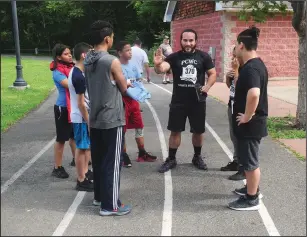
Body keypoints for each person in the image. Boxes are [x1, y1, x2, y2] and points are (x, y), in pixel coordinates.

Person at [84, 20, 132, 216]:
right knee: (112, 162)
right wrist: (128, 83)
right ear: (107, 38)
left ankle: (99, 197)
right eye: (112, 37)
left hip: (94, 116)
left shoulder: (87, 58)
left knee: (99, 160)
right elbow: (123, 87)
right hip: (111, 117)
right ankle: (110, 206)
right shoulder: (111, 60)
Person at [153, 29, 217, 173]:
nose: (188, 43)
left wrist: (207, 86)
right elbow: (163, 69)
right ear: (180, 41)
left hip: (197, 101)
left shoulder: (203, 56)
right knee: (175, 131)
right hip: (178, 101)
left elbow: (212, 73)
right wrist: (157, 65)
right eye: (185, 40)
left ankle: (197, 157)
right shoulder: (174, 57)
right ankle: (171, 159)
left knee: (198, 131)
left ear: (195, 41)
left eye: (191, 40)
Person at [228, 26, 268, 211]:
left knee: (251, 163)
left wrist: (247, 116)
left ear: (242, 45)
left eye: (236, 45)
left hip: (251, 125)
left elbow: (254, 94)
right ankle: (250, 189)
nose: (234, 48)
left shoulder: (252, 68)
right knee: (247, 160)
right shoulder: (251, 66)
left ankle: (252, 199)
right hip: (250, 125)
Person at [116, 41, 157, 167]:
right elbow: (119, 86)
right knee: (122, 129)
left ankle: (142, 152)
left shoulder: (133, 66)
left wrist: (142, 92)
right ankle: (123, 155)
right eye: (127, 50)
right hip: (122, 101)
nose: (130, 52)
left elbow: (138, 81)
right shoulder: (116, 66)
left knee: (139, 126)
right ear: (120, 53)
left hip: (134, 101)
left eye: (130, 50)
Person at [68, 42, 94, 191]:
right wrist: (88, 121)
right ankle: (80, 179)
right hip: (80, 117)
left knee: (85, 148)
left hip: (83, 116)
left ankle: (85, 172)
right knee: (81, 148)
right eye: (90, 53)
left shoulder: (80, 71)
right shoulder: (78, 75)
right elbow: (80, 103)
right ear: (84, 55)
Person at [50, 43, 76, 179]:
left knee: (74, 136)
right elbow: (70, 85)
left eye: (70, 52)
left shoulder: (71, 67)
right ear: (59, 57)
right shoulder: (58, 72)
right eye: (66, 54)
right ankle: (57, 167)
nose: (70, 55)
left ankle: (76, 159)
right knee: (61, 139)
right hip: (63, 107)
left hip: (73, 106)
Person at [220, 47, 245, 181]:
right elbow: (233, 88)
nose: (233, 59)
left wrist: (236, 71)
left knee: (240, 138)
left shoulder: (246, 69)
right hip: (232, 105)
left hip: (241, 109)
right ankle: (236, 161)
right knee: (233, 136)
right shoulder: (237, 69)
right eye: (232, 56)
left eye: (235, 56)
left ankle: (243, 166)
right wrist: (227, 79)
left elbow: (241, 87)